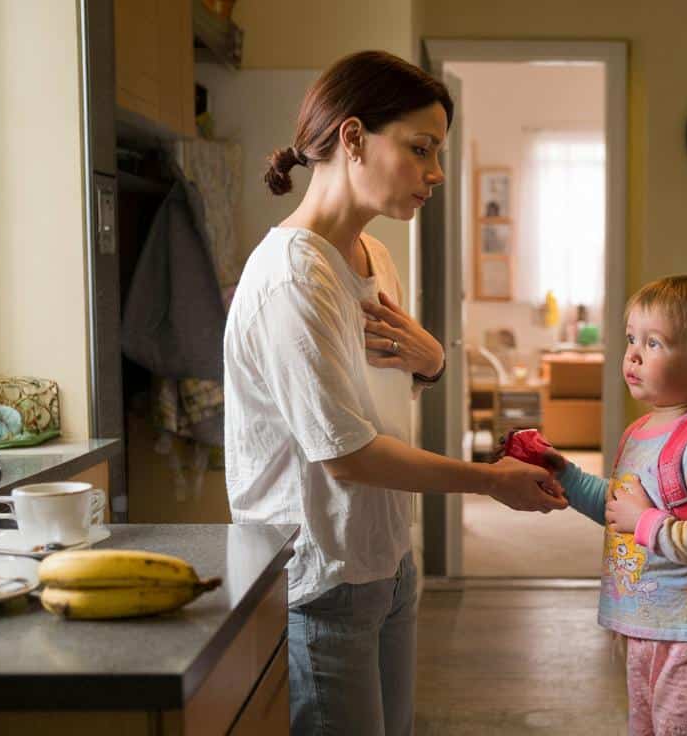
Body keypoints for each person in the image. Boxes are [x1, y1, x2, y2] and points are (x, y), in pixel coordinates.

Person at [223, 50, 567, 736]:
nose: (436, 173)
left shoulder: (371, 257)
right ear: (352, 138)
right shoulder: (292, 280)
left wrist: (435, 362)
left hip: (385, 559)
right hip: (321, 577)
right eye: (420, 148)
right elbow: (345, 454)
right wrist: (488, 480)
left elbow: (376, 394)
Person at [502, 275, 687, 736]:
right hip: (640, 626)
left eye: (654, 343)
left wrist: (648, 522)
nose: (633, 354)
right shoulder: (639, 433)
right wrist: (567, 475)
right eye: (632, 339)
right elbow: (619, 512)